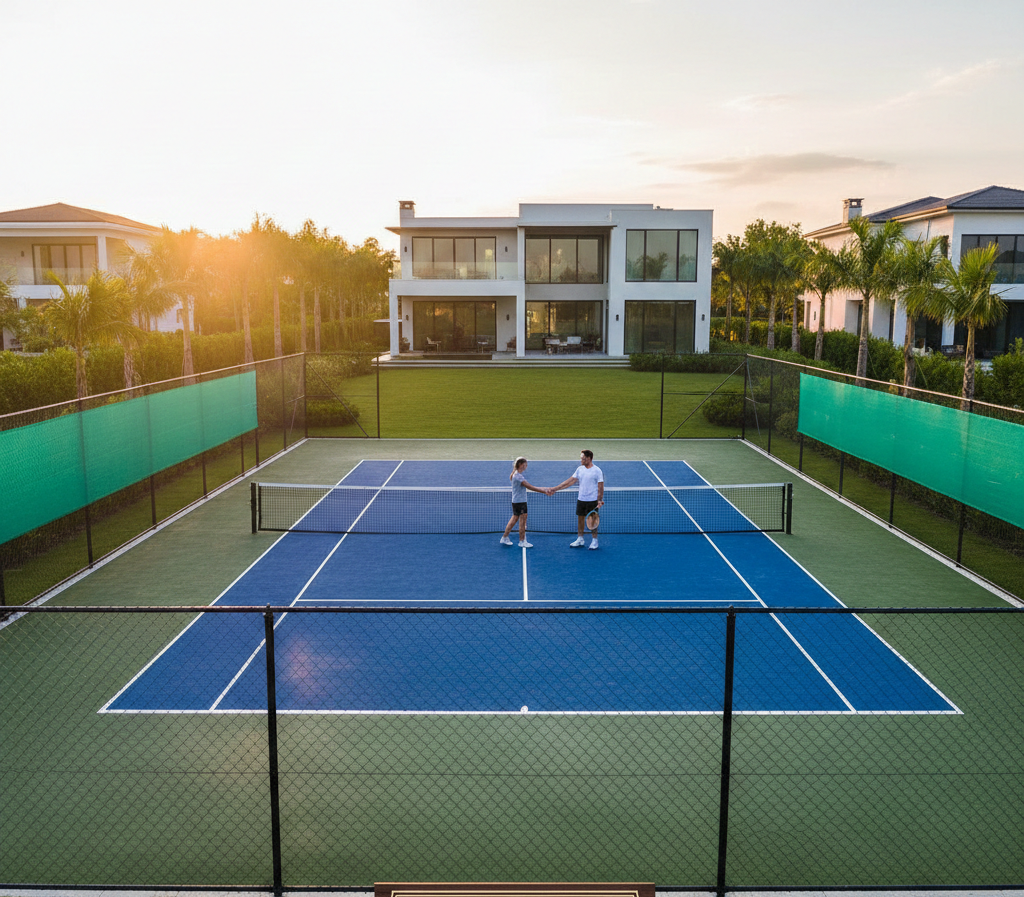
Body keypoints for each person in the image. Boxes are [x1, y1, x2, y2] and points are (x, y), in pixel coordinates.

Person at [548, 449, 604, 549]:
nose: (581, 460)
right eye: (581, 458)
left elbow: (600, 487)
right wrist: (555, 489)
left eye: (583, 458)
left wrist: (599, 500)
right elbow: (569, 482)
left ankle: (595, 541)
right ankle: (580, 539)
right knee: (580, 520)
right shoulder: (579, 469)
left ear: (589, 458)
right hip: (581, 499)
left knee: (593, 521)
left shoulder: (597, 471)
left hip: (592, 500)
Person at [500, 457, 548, 548]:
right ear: (521, 465)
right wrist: (545, 491)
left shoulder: (515, 474)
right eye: (525, 464)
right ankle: (522, 541)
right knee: (522, 521)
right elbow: (531, 487)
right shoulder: (518, 476)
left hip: (517, 501)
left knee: (515, 519)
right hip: (520, 502)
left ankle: (505, 537)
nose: (526, 466)